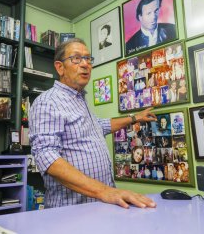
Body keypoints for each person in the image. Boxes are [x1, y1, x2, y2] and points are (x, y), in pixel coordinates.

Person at [29, 38, 157, 209]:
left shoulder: (81, 99)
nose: (85, 64)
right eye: (76, 58)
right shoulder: (48, 102)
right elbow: (47, 156)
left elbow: (100, 126)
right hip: (71, 211)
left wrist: (135, 118)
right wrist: (104, 191)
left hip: (99, 205)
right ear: (60, 67)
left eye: (88, 59)